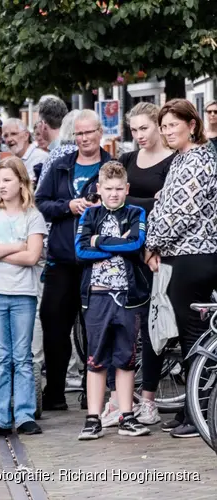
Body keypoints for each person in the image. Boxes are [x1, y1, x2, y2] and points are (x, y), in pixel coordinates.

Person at [146, 98, 217, 438]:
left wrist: (152, 243)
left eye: (173, 125)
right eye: (163, 127)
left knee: (193, 336)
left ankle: (197, 414)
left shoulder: (196, 161)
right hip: (183, 255)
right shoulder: (183, 159)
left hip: (193, 256)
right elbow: (166, 203)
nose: (167, 132)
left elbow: (180, 214)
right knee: (189, 335)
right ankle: (191, 409)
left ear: (192, 124)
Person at [101, 102, 175, 428]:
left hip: (157, 255)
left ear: (159, 125)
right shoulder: (128, 160)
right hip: (127, 256)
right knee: (122, 327)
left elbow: (168, 206)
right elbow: (110, 197)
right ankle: (119, 398)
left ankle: (148, 400)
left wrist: (131, 203)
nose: (139, 135)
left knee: (151, 327)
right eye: (134, 129)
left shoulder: (173, 161)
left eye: (144, 128)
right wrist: (144, 202)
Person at [36, 109, 112, 411]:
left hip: (99, 259)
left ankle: (90, 392)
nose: (84, 139)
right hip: (63, 257)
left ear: (99, 133)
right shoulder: (60, 165)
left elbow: (123, 202)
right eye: (79, 134)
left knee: (95, 327)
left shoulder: (112, 166)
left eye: (89, 132)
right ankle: (54, 390)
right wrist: (68, 205)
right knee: (53, 323)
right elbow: (41, 202)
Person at [75, 161, 151, 439]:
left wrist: (99, 242)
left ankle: (126, 415)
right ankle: (93, 418)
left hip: (128, 297)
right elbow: (80, 252)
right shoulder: (89, 215)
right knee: (96, 358)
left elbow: (135, 245)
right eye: (108, 189)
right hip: (97, 295)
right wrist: (111, 246)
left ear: (127, 188)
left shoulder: (136, 212)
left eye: (119, 189)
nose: (114, 194)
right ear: (99, 189)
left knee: (126, 357)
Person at [0, 157, 46, 437]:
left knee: (23, 357)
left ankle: (25, 414)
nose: (2, 186)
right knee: (1, 357)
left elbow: (32, 256)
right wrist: (16, 245)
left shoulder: (33, 216)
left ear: (20, 182)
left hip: (22, 294)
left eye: (7, 180)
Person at [2, 118, 48, 182]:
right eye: (5, 136)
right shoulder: (8, 161)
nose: (9, 139)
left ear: (26, 135)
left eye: (14, 134)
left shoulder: (41, 158)